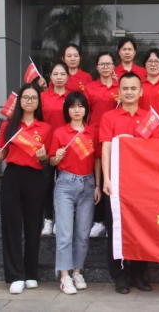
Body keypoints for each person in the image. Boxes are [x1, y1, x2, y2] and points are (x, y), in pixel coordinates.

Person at [100, 72, 159, 294]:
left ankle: (138, 274)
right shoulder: (109, 117)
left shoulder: (150, 119)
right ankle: (120, 276)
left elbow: (156, 150)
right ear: (118, 92)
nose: (129, 92)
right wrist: (106, 179)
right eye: (125, 88)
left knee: (142, 228)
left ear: (141, 91)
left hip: (142, 183)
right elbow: (106, 148)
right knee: (116, 229)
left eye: (133, 88)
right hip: (116, 183)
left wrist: (133, 142)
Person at [0, 84, 52, 295]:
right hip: (13, 177)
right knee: (12, 226)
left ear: (38, 102)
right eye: (26, 97)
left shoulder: (45, 128)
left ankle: (31, 273)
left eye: (34, 98)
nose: (30, 101)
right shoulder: (9, 126)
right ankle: (15, 275)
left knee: (33, 225)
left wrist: (44, 157)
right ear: (20, 101)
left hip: (35, 178)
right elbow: (2, 151)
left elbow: (48, 157)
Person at [49, 92, 101, 295]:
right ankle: (64, 276)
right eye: (72, 106)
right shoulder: (60, 133)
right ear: (67, 110)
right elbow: (52, 161)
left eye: (80, 106)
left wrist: (97, 185)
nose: (77, 110)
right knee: (65, 234)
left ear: (86, 109)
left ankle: (77, 272)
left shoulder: (91, 132)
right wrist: (57, 156)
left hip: (88, 184)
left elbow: (97, 159)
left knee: (82, 234)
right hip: (66, 184)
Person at [86, 52, 119, 238]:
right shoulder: (90, 88)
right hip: (95, 134)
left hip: (116, 136)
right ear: (97, 67)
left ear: (114, 66)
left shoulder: (120, 87)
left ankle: (112, 221)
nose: (105, 67)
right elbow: (85, 113)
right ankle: (99, 221)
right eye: (102, 64)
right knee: (97, 178)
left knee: (114, 177)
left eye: (109, 64)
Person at [40, 63, 70, 237]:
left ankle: (60, 219)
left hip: (67, 148)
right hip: (47, 147)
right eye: (55, 74)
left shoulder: (72, 97)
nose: (59, 77)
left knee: (64, 185)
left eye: (62, 74)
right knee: (46, 184)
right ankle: (48, 219)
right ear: (50, 77)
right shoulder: (42, 97)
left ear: (68, 77)